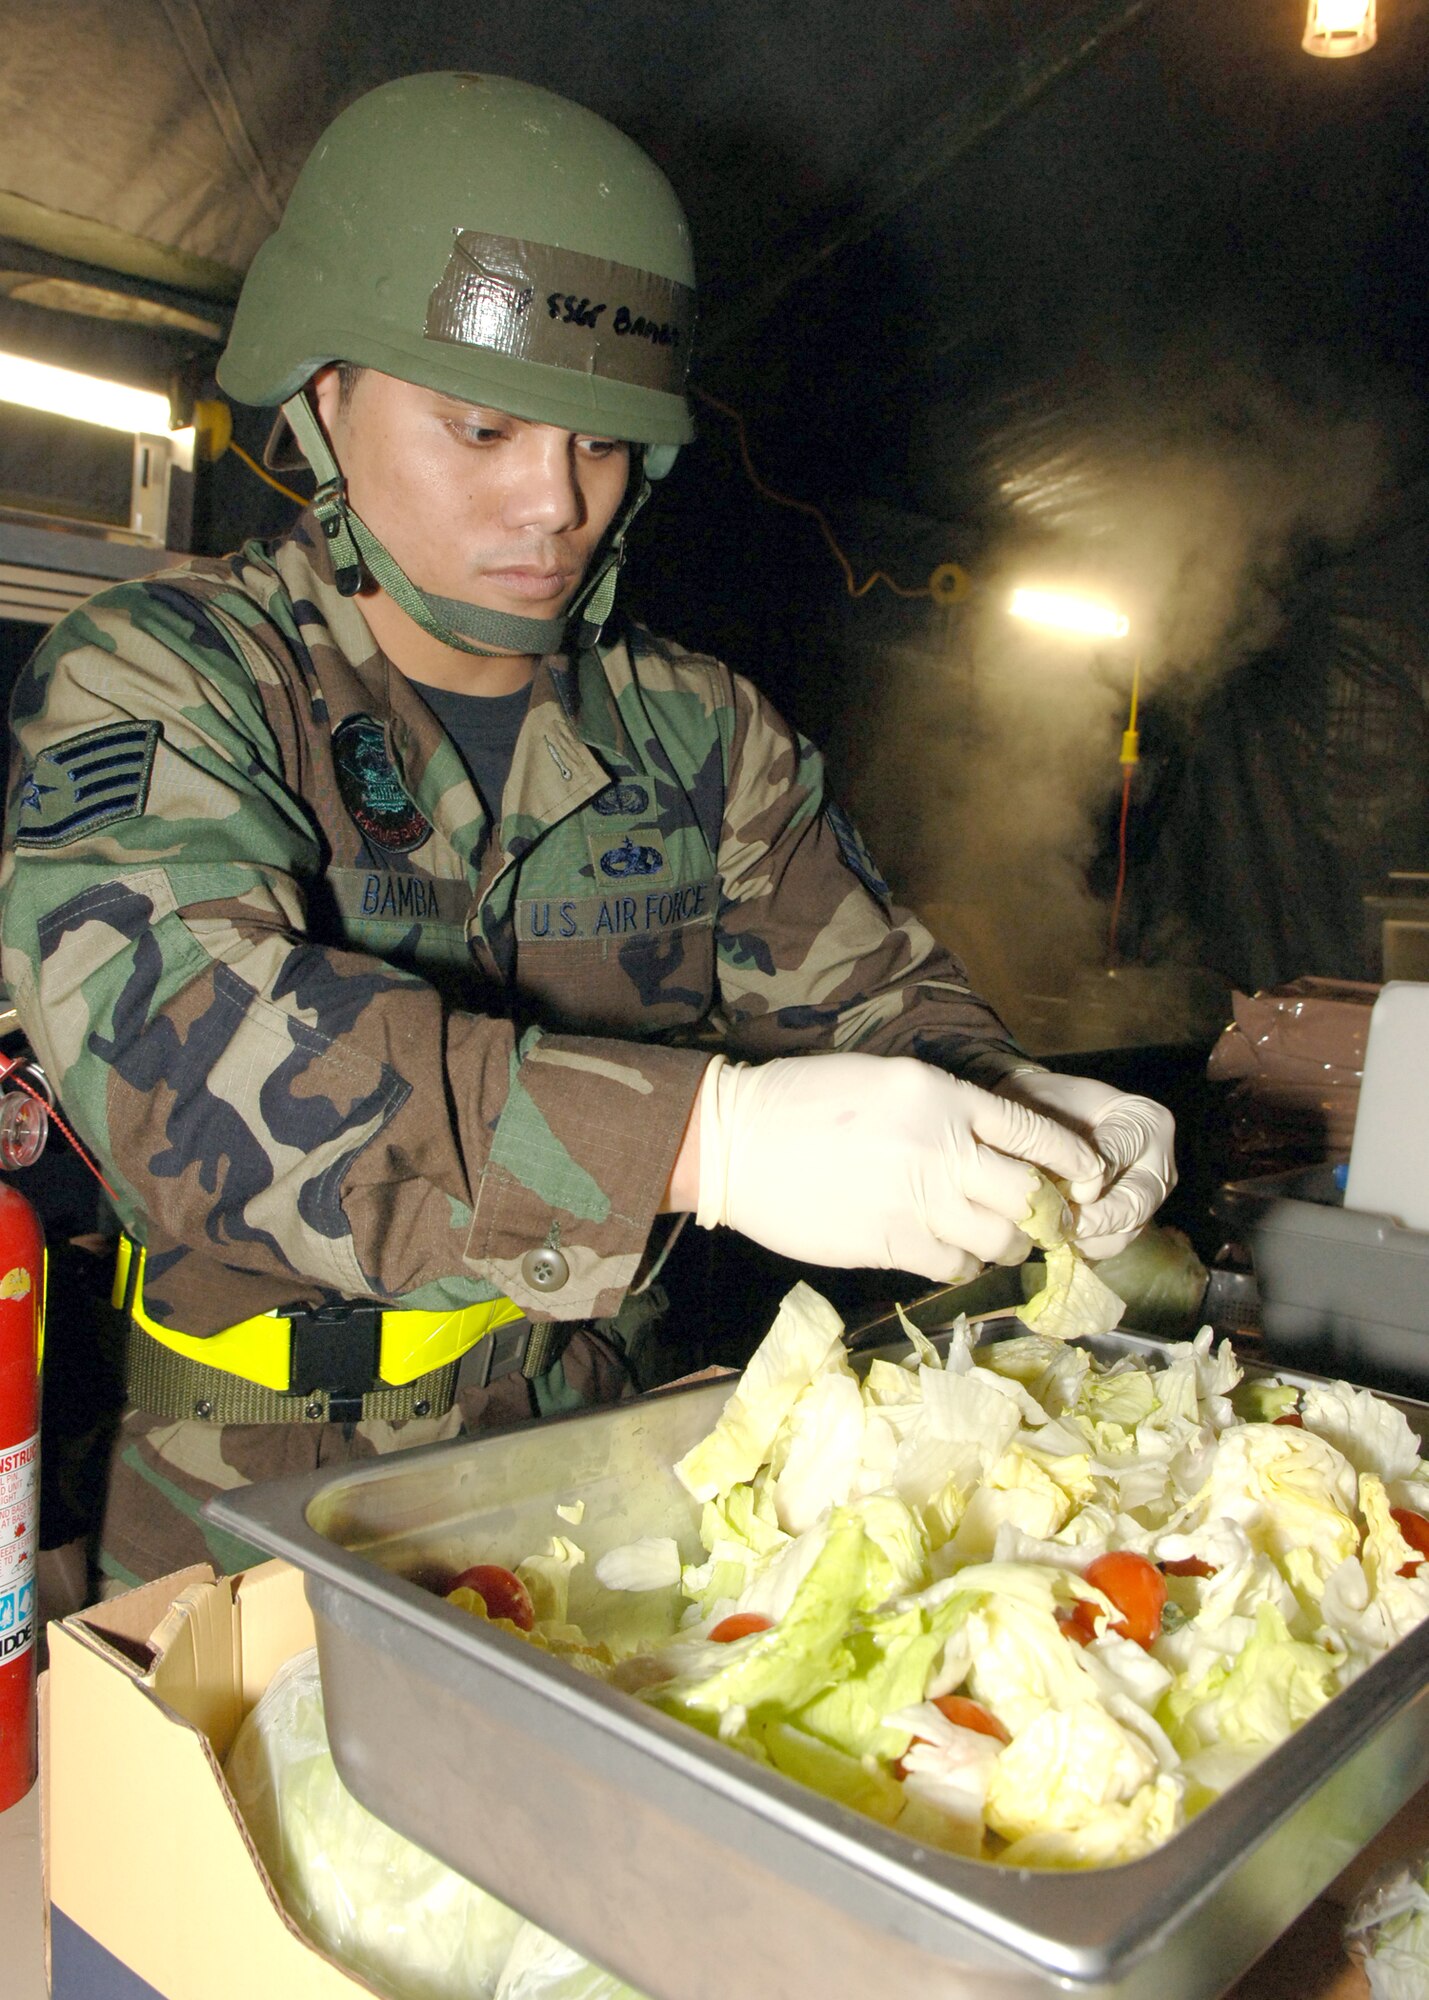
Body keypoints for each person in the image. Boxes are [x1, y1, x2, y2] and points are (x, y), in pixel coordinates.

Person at [0, 73, 1174, 1590]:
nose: (553, 504)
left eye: (602, 446)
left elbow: (879, 1000)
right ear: (323, 396)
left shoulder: (698, 731)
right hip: (250, 1507)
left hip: (597, 1474)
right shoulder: (169, 672)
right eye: (483, 427)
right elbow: (183, 1067)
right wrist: (711, 1141)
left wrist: (1016, 1108)